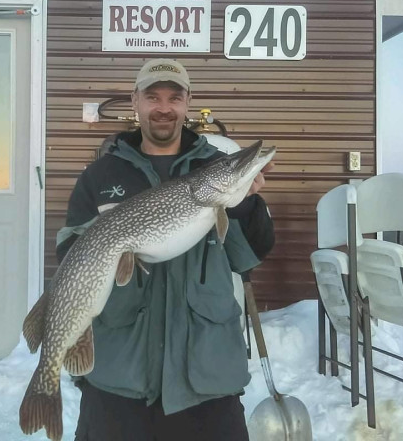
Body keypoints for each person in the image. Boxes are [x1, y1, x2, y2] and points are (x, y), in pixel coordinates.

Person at [55, 58, 275, 441]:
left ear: (187, 103)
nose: (163, 107)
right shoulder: (101, 175)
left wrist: (244, 203)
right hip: (119, 373)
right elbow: (70, 254)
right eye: (152, 96)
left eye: (174, 97)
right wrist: (108, 241)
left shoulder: (215, 166)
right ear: (135, 101)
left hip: (206, 374)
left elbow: (250, 255)